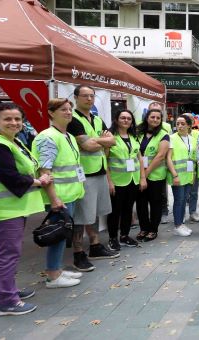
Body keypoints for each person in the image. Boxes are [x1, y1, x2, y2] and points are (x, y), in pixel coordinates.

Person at [0, 103, 48, 316]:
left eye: (17, 119)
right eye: (7, 119)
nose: (14, 123)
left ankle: (5, 290)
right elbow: (11, 177)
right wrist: (39, 181)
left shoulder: (11, 141)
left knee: (5, 252)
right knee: (8, 253)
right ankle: (5, 301)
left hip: (11, 208)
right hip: (3, 210)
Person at [33, 98, 84, 288]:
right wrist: (54, 198)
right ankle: (53, 275)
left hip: (70, 194)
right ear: (51, 113)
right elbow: (44, 171)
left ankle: (57, 269)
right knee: (58, 235)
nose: (68, 112)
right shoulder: (47, 137)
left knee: (62, 234)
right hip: (59, 197)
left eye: (70, 109)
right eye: (63, 109)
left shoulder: (67, 135)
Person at [67, 85, 118, 272]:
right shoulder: (73, 120)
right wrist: (102, 141)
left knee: (94, 212)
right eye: (85, 96)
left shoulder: (97, 119)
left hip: (100, 171)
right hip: (84, 174)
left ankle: (95, 245)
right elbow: (87, 146)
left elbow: (112, 141)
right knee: (81, 215)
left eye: (91, 96)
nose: (89, 99)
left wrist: (94, 140)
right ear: (76, 98)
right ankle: (78, 253)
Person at [105, 110, 145, 250]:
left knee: (128, 210)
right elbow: (105, 160)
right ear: (116, 120)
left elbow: (139, 158)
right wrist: (109, 181)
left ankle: (124, 236)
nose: (126, 120)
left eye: (129, 118)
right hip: (117, 181)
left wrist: (142, 178)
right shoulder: (110, 138)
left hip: (133, 180)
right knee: (115, 211)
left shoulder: (134, 137)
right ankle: (112, 238)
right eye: (123, 118)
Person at [135, 109, 169, 242]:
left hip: (156, 176)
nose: (155, 120)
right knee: (141, 203)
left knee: (155, 203)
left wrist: (145, 174)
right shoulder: (138, 132)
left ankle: (153, 229)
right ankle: (144, 228)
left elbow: (160, 156)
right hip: (137, 174)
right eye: (152, 117)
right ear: (147, 118)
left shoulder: (163, 135)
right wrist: (141, 175)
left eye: (158, 118)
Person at [166, 115, 196, 237]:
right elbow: (168, 158)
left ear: (189, 125)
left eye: (183, 124)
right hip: (177, 175)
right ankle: (177, 226)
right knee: (179, 200)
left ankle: (181, 223)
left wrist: (193, 174)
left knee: (184, 200)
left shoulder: (192, 139)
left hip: (188, 175)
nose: (180, 126)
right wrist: (175, 175)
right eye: (178, 123)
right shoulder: (171, 138)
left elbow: (193, 158)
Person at [148, 102, 172, 224]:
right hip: (143, 167)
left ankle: (164, 211)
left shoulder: (166, 126)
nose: (155, 117)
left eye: (158, 112)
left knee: (162, 192)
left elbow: (169, 144)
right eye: (153, 112)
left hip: (160, 166)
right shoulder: (142, 127)